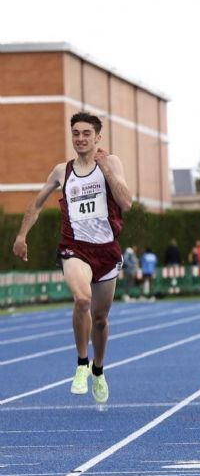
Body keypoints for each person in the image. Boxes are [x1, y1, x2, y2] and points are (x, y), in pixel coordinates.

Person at [12, 111, 132, 405]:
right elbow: (37, 204)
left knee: (101, 319)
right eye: (76, 133)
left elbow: (127, 202)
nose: (80, 138)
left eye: (86, 134)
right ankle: (81, 364)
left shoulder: (111, 162)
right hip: (74, 247)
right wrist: (21, 235)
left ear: (97, 137)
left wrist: (106, 170)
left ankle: (98, 368)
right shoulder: (61, 171)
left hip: (106, 249)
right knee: (81, 299)